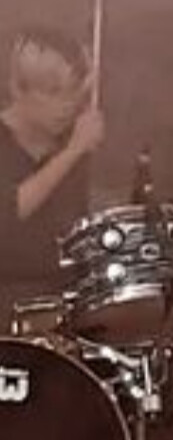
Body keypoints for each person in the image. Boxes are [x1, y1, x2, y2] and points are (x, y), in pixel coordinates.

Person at [0, 25, 104, 328]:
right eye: (54, 93)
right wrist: (72, 153)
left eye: (74, 93)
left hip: (63, 299)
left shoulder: (72, 142)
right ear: (18, 89)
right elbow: (8, 212)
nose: (67, 105)